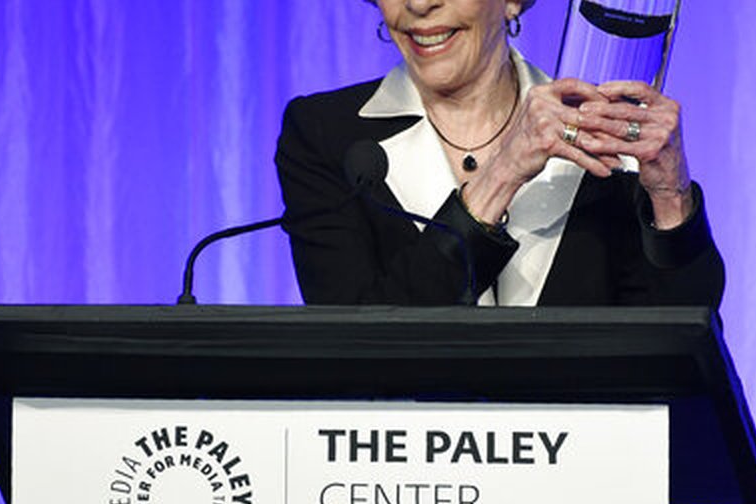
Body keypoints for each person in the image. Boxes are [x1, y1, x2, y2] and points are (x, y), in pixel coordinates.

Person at [276, 0, 723, 307]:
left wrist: (670, 195)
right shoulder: (324, 135)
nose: (418, 4)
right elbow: (354, 345)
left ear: (511, 1)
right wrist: (501, 175)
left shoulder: (599, 128)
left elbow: (680, 346)